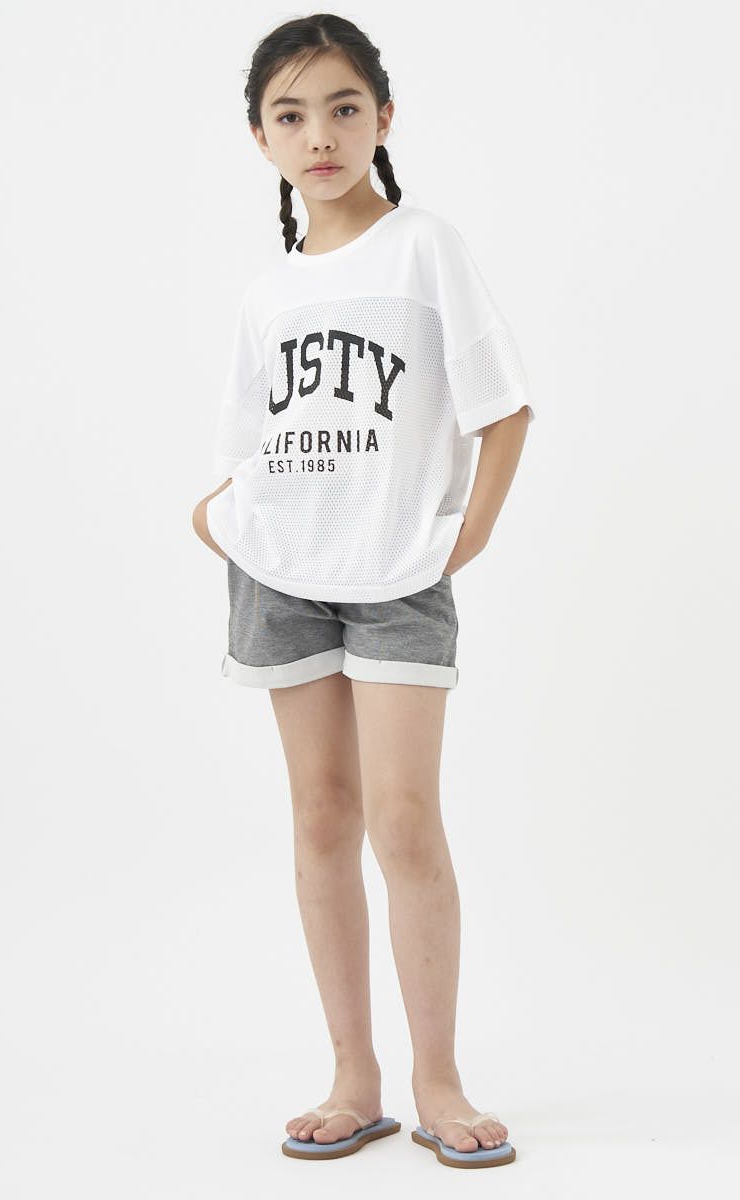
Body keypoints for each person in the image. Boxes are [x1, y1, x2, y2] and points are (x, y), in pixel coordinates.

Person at [191, 13, 534, 1170]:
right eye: (289, 116)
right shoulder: (267, 292)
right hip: (280, 576)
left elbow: (504, 409)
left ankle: (439, 1078)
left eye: (343, 108)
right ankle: (354, 1075)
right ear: (261, 138)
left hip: (395, 578)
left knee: (403, 819)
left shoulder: (423, 247)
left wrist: (460, 539)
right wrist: (216, 519)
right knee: (321, 818)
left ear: (383, 118)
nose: (319, 135)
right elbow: (245, 451)